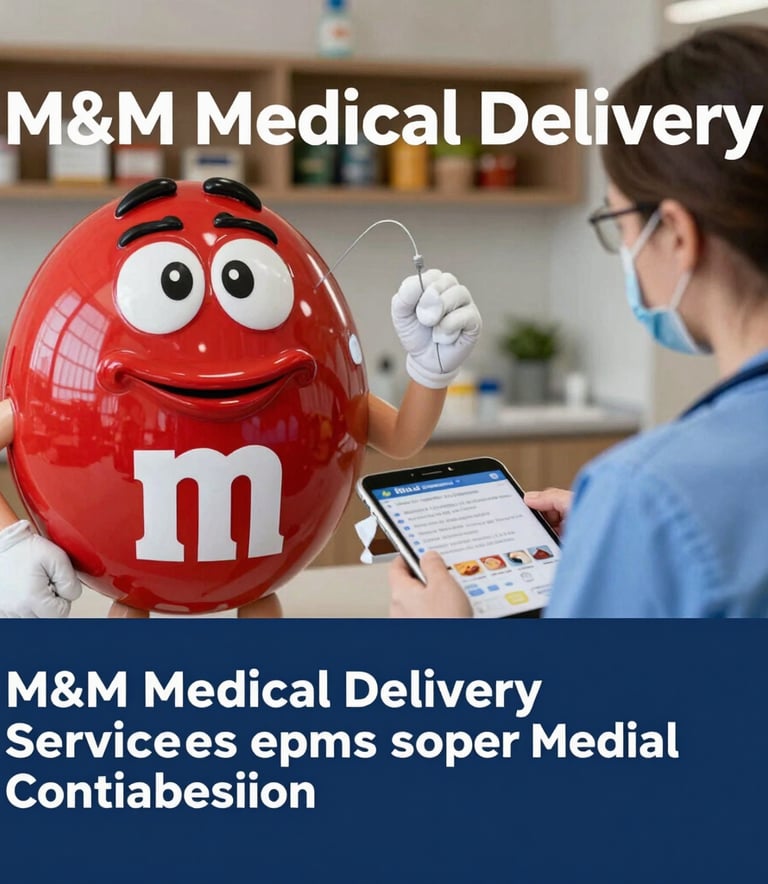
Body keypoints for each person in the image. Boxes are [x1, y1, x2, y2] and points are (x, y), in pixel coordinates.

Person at [391, 25, 768, 618]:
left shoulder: (649, 494)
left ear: (675, 233)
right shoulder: (644, 506)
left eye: (617, 224)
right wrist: (617, 548)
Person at [0, 267, 481, 617]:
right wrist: (10, 542)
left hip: (260, 585)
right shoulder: (70, 382)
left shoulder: (320, 385)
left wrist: (429, 370)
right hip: (131, 586)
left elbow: (400, 438)